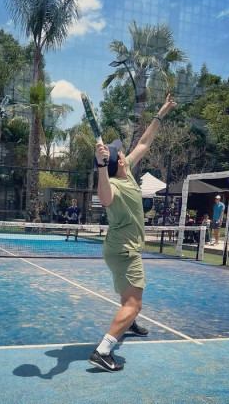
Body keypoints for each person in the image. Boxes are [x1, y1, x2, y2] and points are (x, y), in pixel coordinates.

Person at [89, 94, 177, 372]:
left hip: (117, 248)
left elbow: (144, 142)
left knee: (129, 299)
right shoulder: (114, 184)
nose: (124, 150)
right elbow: (104, 198)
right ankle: (103, 351)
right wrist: (102, 167)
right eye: (120, 151)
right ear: (121, 161)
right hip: (124, 251)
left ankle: (129, 320)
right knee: (135, 303)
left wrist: (160, 114)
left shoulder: (126, 173)